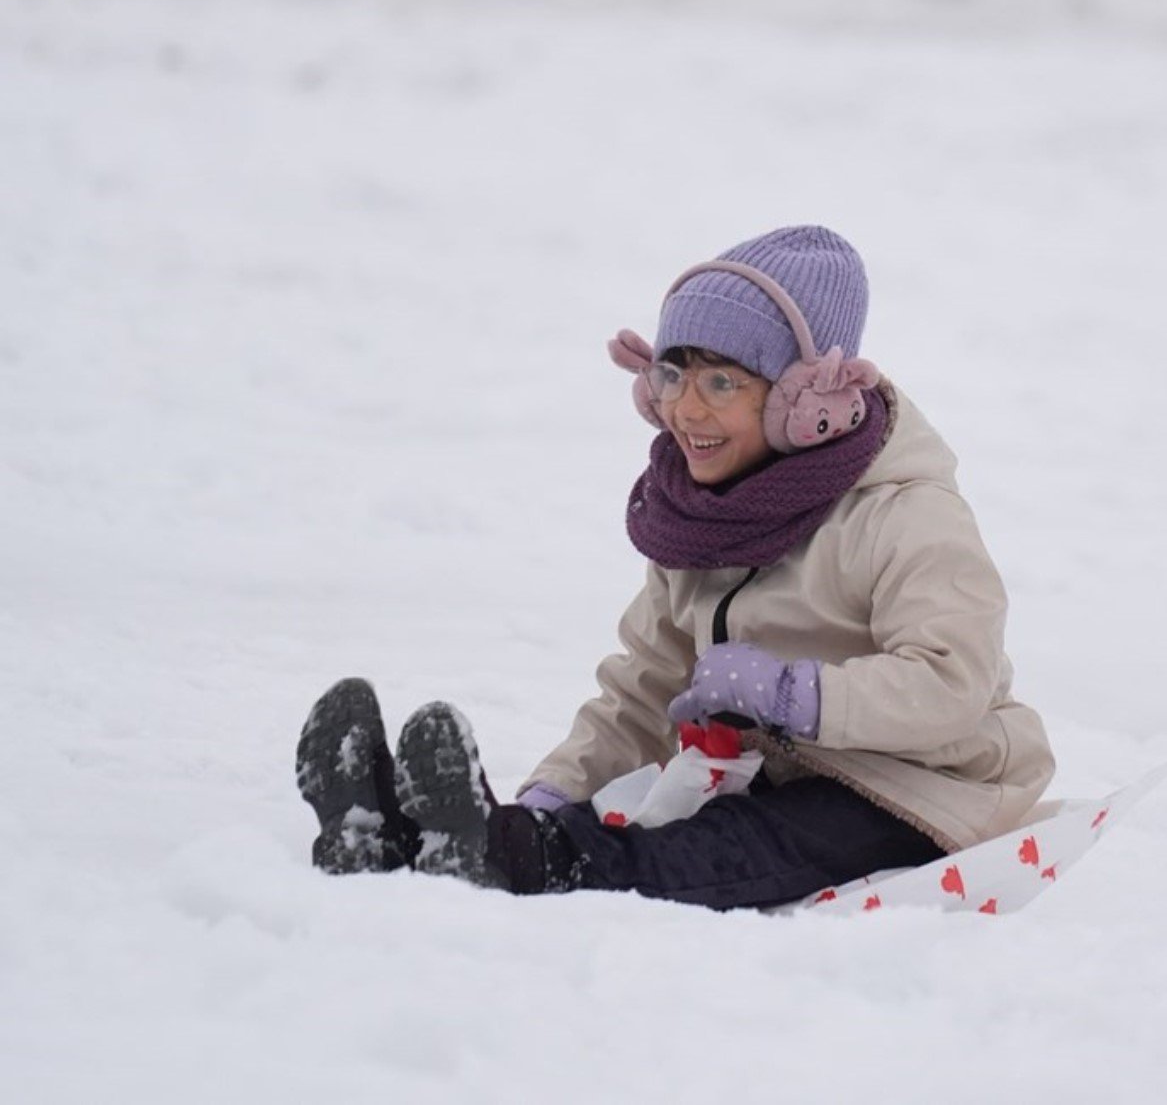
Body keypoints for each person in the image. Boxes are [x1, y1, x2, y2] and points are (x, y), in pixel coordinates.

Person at [295, 225, 1055, 909]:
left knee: (736, 843)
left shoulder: (906, 515)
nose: (687, 410)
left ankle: (520, 861)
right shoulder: (703, 517)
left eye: (722, 382)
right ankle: (409, 835)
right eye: (672, 376)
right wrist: (554, 792)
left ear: (805, 401)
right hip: (771, 770)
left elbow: (951, 685)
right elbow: (644, 688)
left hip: (923, 788)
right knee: (657, 810)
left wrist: (795, 694)